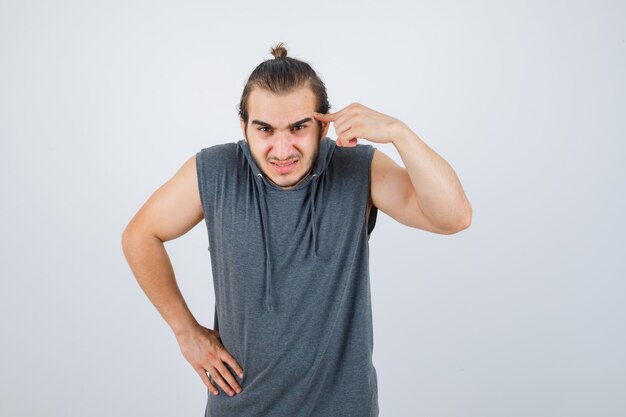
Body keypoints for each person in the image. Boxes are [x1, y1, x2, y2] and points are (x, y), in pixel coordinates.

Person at [121, 42, 472, 416]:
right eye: (265, 130)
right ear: (244, 127)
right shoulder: (216, 170)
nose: (282, 148)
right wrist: (185, 331)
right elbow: (139, 236)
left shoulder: (357, 168)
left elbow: (454, 217)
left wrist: (400, 133)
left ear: (323, 126)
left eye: (299, 127)